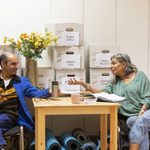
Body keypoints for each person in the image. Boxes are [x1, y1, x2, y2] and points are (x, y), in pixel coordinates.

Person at [68, 53, 150, 149]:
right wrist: (83, 84)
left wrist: (142, 111)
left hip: (145, 113)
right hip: (130, 117)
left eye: (114, 63)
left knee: (138, 122)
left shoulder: (140, 76)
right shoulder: (114, 82)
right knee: (133, 122)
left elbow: (148, 96)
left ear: (124, 64)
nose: (111, 67)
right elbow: (103, 93)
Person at [0, 52, 53, 148]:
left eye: (17, 63)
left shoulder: (21, 81)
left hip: (8, 114)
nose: (16, 67)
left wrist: (50, 91)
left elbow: (35, 93)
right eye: (13, 64)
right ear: (3, 64)